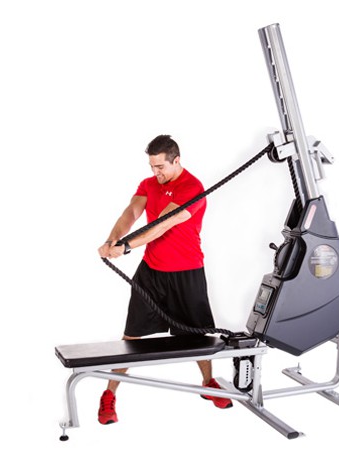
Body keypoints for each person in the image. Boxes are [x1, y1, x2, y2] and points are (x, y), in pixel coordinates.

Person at [96, 134, 232, 425]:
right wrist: (112, 239)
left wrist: (127, 246)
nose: (155, 172)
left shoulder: (192, 188)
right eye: (152, 166)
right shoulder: (148, 184)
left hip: (187, 273)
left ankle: (208, 383)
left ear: (176, 160)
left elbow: (163, 223)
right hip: (152, 272)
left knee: (199, 337)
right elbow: (131, 212)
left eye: (160, 166)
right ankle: (109, 394)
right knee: (132, 335)